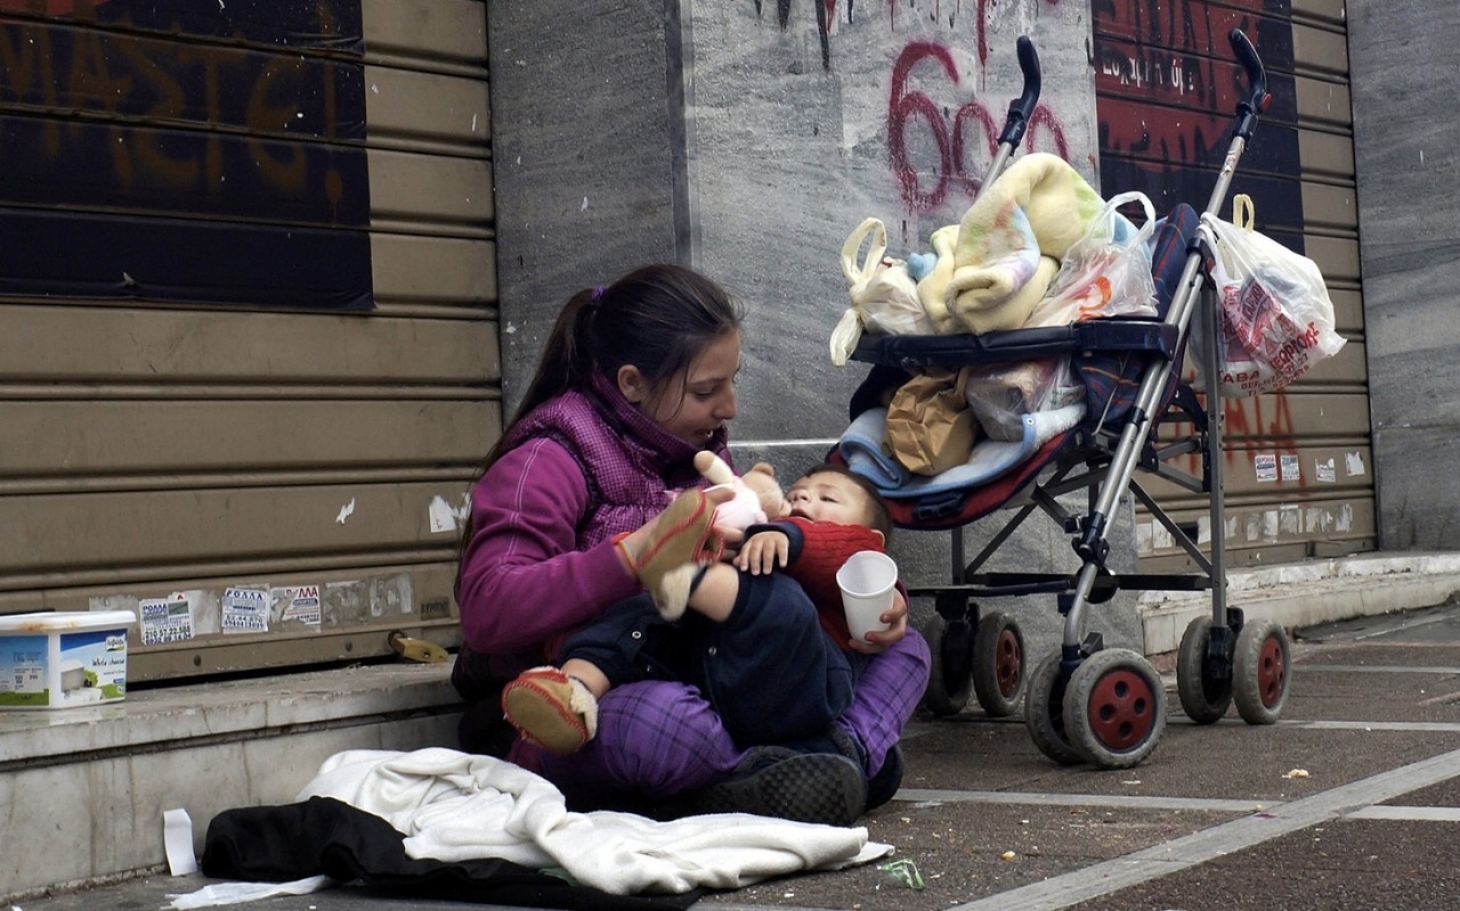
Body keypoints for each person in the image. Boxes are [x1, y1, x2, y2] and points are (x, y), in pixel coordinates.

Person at [452, 263, 931, 826]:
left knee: (907, 650)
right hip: (605, 687)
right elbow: (488, 608)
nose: (728, 407)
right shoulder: (548, 459)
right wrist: (632, 558)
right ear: (632, 383)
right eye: (707, 390)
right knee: (671, 724)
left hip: (723, 671)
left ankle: (825, 758)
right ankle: (811, 765)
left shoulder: (697, 447)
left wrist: (877, 598)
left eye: (732, 382)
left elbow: (777, 548)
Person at [498, 463, 899, 759]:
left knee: (781, 599)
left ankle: (679, 575)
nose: (803, 498)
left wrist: (788, 535)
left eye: (827, 498)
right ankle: (573, 693)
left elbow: (839, 550)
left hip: (802, 682)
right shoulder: (758, 540)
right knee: (639, 617)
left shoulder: (858, 553)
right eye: (795, 493)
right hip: (720, 676)